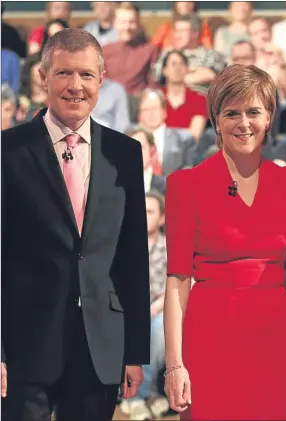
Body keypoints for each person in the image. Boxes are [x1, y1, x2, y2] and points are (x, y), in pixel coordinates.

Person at [1, 28, 151, 421]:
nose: (75, 86)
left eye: (86, 75)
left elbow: (133, 257)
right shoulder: (8, 151)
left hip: (99, 349)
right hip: (23, 349)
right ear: (42, 78)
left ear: (101, 80)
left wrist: (134, 352)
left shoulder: (126, 152)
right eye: (64, 73)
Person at [163, 64, 286, 420]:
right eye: (231, 113)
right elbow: (178, 281)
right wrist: (174, 365)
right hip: (211, 340)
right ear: (216, 121)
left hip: (275, 341)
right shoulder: (186, 186)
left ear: (269, 117)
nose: (243, 123)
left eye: (253, 112)